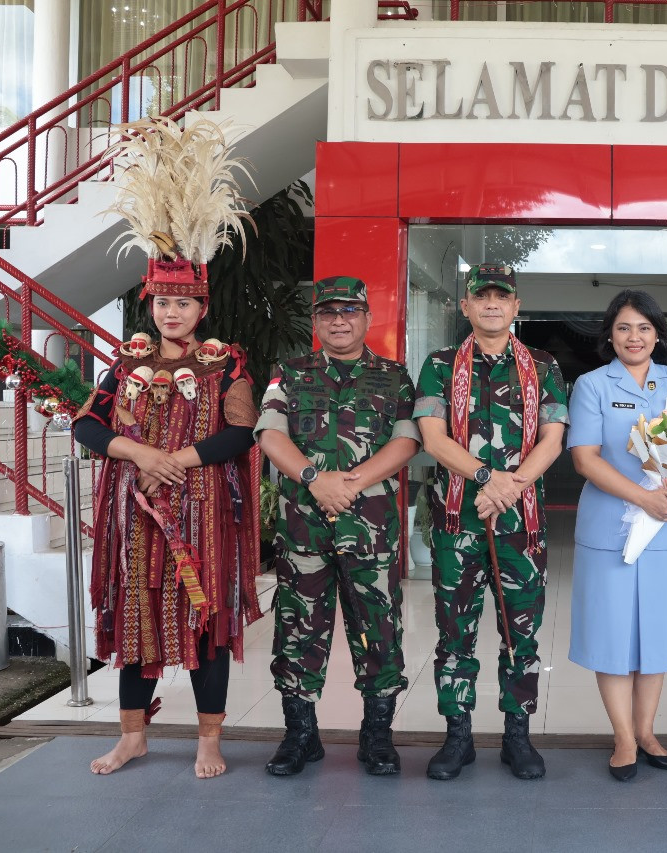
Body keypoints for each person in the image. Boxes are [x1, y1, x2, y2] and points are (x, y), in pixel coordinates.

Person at [77, 264, 261, 780]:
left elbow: (242, 432)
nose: (171, 313)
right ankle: (132, 739)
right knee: (136, 621)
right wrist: (139, 453)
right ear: (150, 308)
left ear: (202, 310)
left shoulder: (226, 368)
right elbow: (86, 425)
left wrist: (172, 461)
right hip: (136, 520)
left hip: (203, 514)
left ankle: (209, 740)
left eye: (183, 304)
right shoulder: (124, 365)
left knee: (206, 624)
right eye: (162, 303)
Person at [254, 276, 420, 777]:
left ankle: (377, 736)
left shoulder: (394, 376)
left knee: (378, 630)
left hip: (370, 531)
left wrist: (348, 483)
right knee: (298, 628)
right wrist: (312, 478)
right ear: (317, 321)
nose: (339, 321)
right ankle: (300, 735)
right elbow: (269, 433)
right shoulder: (289, 373)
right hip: (303, 529)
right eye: (328, 313)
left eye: (349, 312)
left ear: (368, 319)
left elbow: (407, 440)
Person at [414, 263, 568, 781]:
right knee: (453, 633)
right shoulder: (439, 365)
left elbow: (553, 439)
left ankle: (517, 737)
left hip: (520, 523)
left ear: (516, 306)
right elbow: (433, 439)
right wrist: (488, 479)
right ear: (466, 306)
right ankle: (457, 737)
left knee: (520, 633)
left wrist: (511, 486)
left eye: (502, 297)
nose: (492, 305)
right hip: (457, 523)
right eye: (482, 297)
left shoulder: (543, 365)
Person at [568, 290, 667, 781]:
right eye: (625, 328)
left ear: (658, 334)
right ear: (610, 333)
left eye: (644, 328)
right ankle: (623, 737)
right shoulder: (591, 385)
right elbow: (585, 459)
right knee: (612, 632)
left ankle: (647, 731)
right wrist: (641, 497)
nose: (634, 337)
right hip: (612, 525)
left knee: (656, 631)